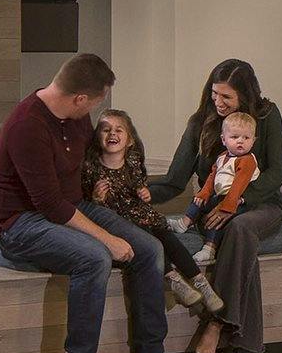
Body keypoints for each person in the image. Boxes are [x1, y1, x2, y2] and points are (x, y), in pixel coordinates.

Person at [0, 54, 197, 353]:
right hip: (20, 223)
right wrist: (108, 238)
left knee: (149, 250)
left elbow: (86, 175)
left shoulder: (77, 119)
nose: (97, 113)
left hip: (74, 207)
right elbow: (50, 205)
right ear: (80, 99)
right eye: (97, 102)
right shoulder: (28, 125)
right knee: (95, 257)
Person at [149, 59, 282, 353]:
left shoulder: (267, 115)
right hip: (214, 210)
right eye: (215, 94)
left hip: (262, 205)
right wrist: (137, 192)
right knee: (240, 242)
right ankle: (249, 347)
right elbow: (174, 180)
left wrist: (236, 201)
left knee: (239, 226)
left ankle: (215, 322)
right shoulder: (201, 122)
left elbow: (278, 172)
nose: (218, 102)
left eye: (227, 97)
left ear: (246, 95)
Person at [83, 109, 223, 314]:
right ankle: (174, 281)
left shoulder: (132, 163)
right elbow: (89, 204)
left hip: (142, 215)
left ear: (129, 140)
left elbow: (141, 188)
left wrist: (145, 193)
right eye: (106, 130)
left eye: (118, 130)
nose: (112, 134)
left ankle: (201, 283)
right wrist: (96, 197)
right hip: (120, 222)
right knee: (150, 242)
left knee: (167, 238)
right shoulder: (92, 169)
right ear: (98, 138)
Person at [177, 111, 257, 266]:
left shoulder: (247, 160)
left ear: (253, 141)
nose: (240, 141)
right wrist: (204, 193)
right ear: (224, 140)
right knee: (199, 201)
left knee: (217, 219)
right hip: (220, 196)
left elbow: (238, 186)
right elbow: (212, 178)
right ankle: (184, 223)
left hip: (236, 202)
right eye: (234, 137)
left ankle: (209, 248)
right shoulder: (222, 157)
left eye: (246, 138)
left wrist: (227, 207)